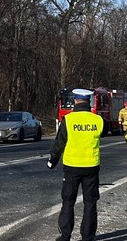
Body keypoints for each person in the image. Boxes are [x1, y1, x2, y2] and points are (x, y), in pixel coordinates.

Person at [47, 88, 104, 241]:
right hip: (91, 166)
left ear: (76, 101)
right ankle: (88, 237)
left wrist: (52, 160)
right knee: (90, 203)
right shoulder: (97, 120)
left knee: (68, 202)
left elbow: (60, 142)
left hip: (72, 167)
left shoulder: (69, 119)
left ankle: (65, 237)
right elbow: (100, 135)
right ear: (89, 101)